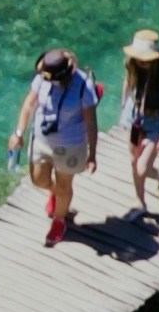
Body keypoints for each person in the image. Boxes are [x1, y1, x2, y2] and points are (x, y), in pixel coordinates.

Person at [14, 45, 99, 245]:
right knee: (38, 180)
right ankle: (58, 195)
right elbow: (29, 103)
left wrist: (92, 153)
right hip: (42, 140)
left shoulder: (82, 86)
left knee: (64, 184)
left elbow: (90, 122)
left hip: (70, 145)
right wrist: (19, 132)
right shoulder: (43, 77)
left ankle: (59, 220)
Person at [118, 29, 159, 217]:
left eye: (145, 58)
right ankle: (140, 202)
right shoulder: (131, 65)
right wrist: (124, 108)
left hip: (156, 120)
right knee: (133, 160)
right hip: (135, 116)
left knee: (142, 167)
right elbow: (128, 83)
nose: (141, 61)